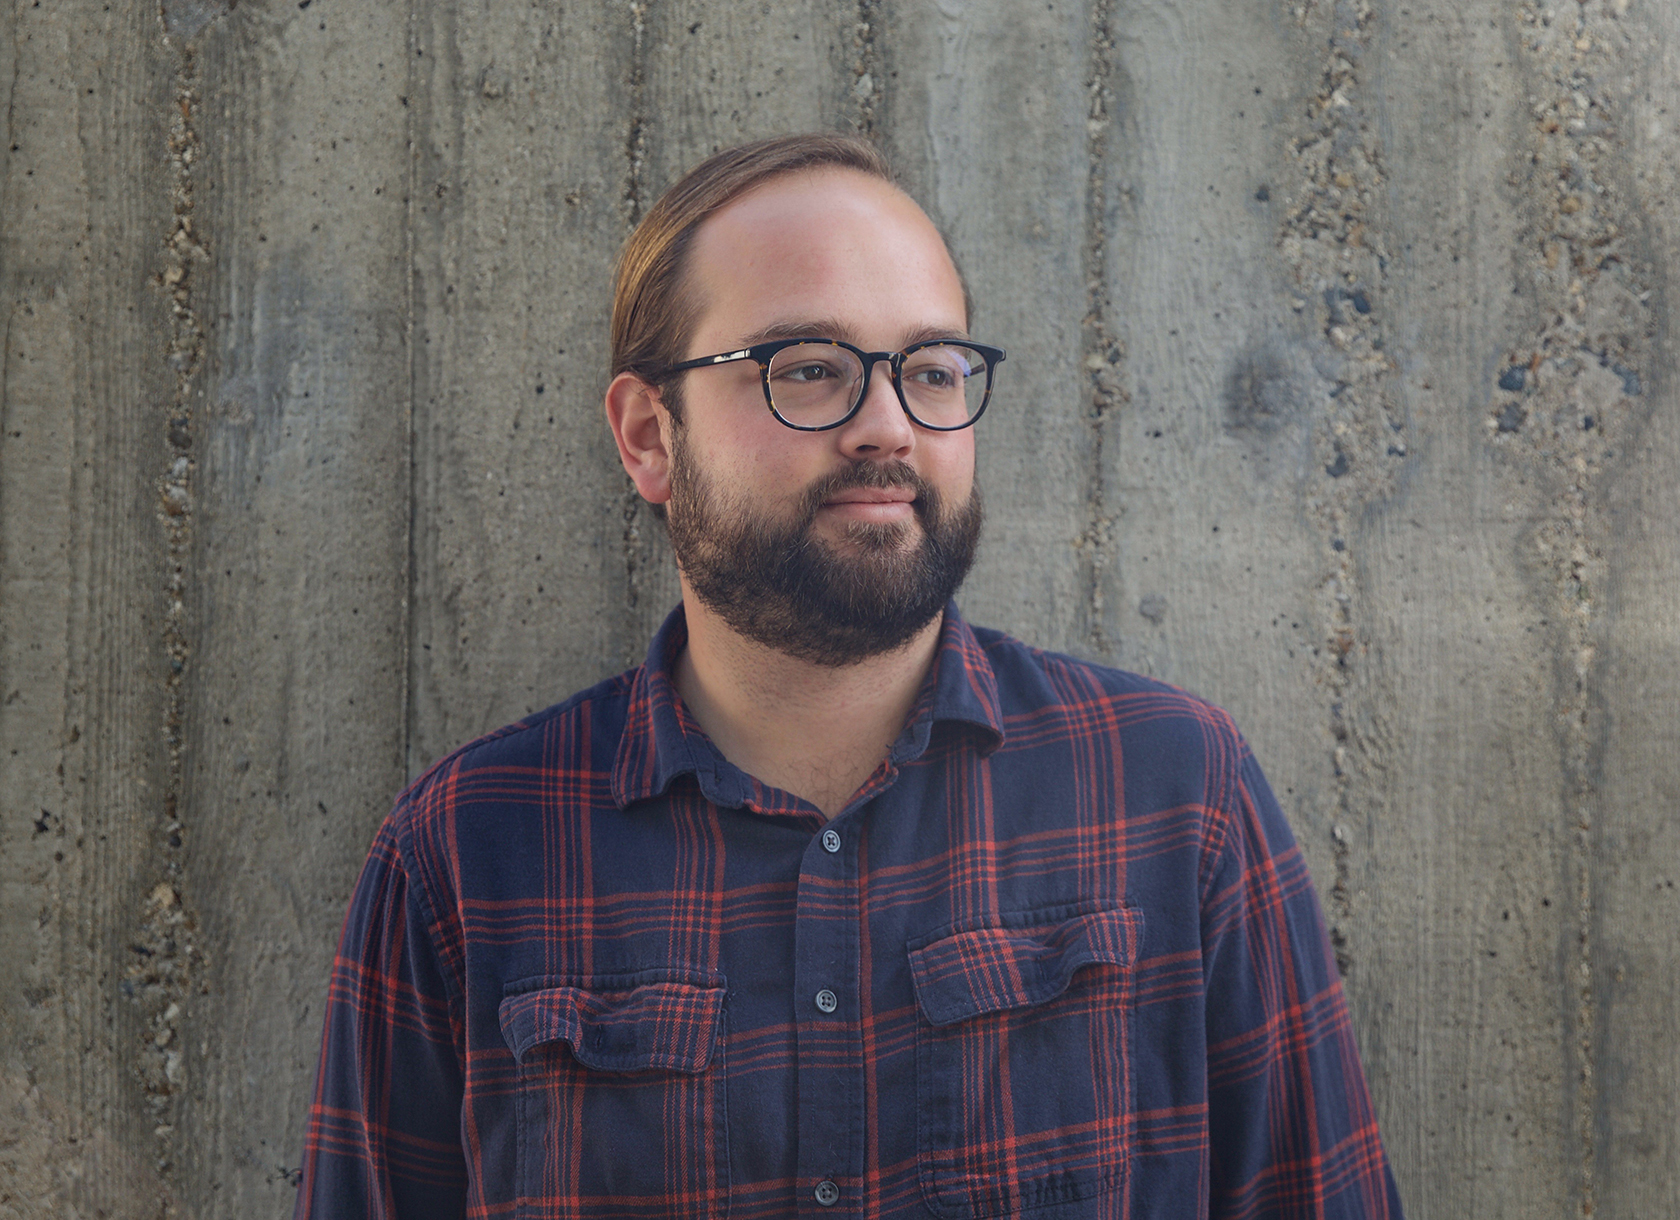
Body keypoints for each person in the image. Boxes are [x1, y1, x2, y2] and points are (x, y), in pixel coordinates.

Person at [294, 133, 1405, 1220]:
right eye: (810, 370)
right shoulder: (464, 856)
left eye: (931, 369)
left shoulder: (1175, 797)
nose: (889, 427)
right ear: (648, 436)